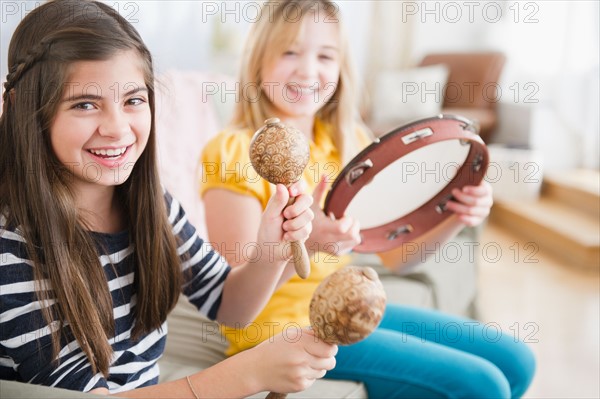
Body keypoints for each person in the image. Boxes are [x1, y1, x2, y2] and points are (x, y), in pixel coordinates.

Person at [0, 1, 340, 397]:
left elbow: (230, 305)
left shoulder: (151, 204)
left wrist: (269, 251)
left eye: (133, 100)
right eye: (85, 104)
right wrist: (249, 373)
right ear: (32, 114)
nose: (117, 128)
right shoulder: (12, 250)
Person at [200, 0, 536, 398]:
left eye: (326, 55)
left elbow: (397, 257)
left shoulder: (348, 143)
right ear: (258, 61)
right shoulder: (233, 150)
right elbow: (234, 303)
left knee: (516, 360)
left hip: (343, 306)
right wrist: (308, 245)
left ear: (341, 70)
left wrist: (456, 217)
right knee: (482, 386)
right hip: (278, 331)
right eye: (290, 52)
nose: (308, 70)